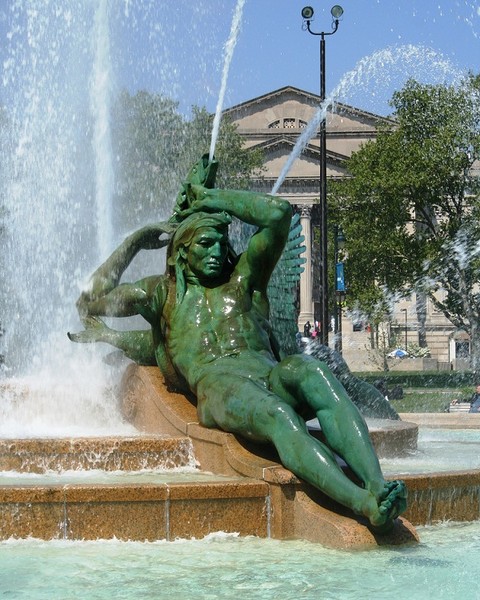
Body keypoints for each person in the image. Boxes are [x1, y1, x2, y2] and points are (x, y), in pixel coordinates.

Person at [70, 183, 406, 532]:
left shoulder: (244, 281)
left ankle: (378, 484)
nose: (217, 250)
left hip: (268, 373)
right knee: (278, 413)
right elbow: (90, 299)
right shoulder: (162, 294)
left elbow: (278, 214)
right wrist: (136, 241)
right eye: (205, 243)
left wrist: (212, 199)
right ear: (182, 252)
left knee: (314, 372)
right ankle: (361, 502)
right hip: (220, 386)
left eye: (221, 241)